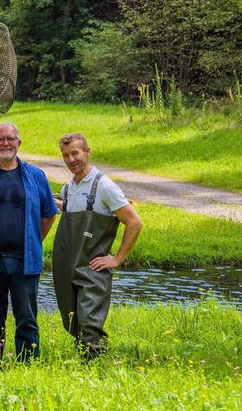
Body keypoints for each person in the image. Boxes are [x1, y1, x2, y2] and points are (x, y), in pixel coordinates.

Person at [0, 122, 58, 361]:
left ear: (19, 143)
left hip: (25, 260)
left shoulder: (35, 176)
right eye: (0, 139)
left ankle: (28, 361)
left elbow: (49, 213)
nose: (6, 143)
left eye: (10, 139)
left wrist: (33, 241)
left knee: (26, 316)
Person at [53, 133, 143, 359]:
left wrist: (116, 259)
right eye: (66, 155)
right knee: (73, 321)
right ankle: (84, 364)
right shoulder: (68, 188)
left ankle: (97, 370)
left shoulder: (104, 186)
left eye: (75, 153)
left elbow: (134, 222)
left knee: (90, 323)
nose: (71, 160)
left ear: (87, 151)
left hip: (93, 269)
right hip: (69, 268)